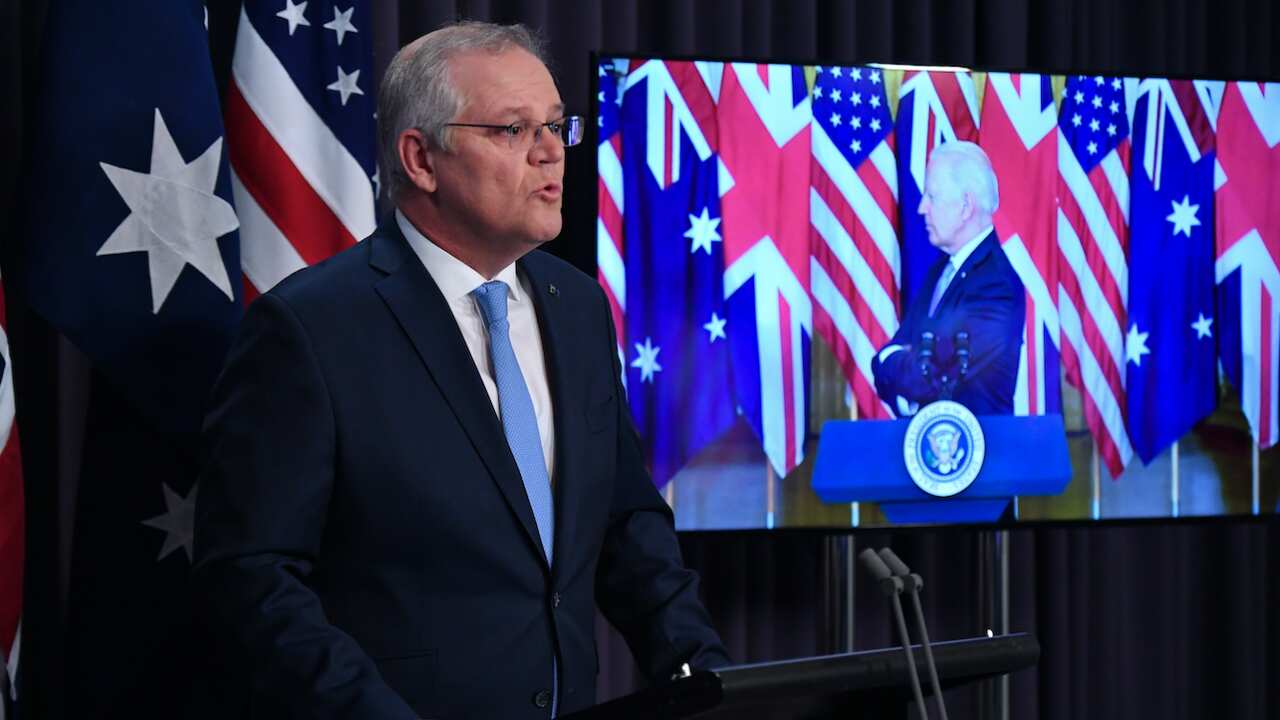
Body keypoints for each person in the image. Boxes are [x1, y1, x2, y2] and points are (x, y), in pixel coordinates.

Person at [193, 21, 729, 719]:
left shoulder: (577, 307)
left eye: (556, 127)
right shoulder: (310, 329)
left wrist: (708, 681)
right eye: (513, 131)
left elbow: (626, 523)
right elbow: (253, 579)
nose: (550, 155)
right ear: (421, 158)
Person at [872, 141, 1025, 416]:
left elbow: (930, 378)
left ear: (966, 206)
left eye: (932, 197)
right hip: (928, 447)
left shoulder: (996, 285)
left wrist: (888, 361)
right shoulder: (941, 269)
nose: (921, 208)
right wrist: (901, 372)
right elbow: (907, 353)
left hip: (980, 452)